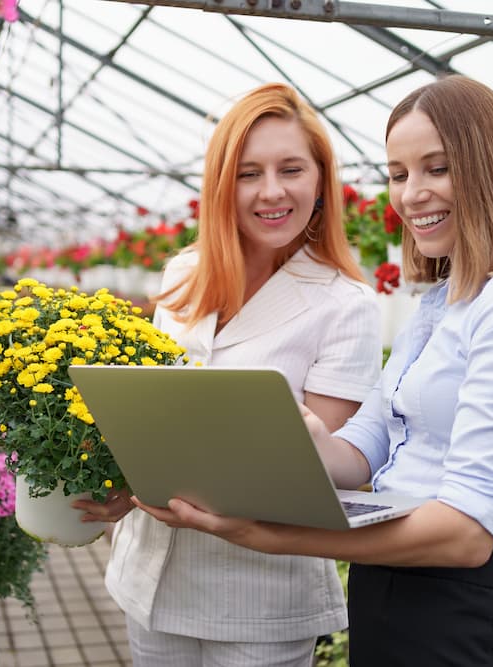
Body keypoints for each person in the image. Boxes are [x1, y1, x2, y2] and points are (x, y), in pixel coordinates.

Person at [133, 75, 493, 666]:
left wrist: (269, 536)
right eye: (399, 175)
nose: (412, 194)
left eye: (437, 168)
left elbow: (466, 532)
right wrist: (303, 438)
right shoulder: (442, 305)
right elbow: (364, 450)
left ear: (489, 169)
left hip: (457, 611)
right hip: (387, 594)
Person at [71, 82, 382, 666]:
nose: (272, 192)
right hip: (151, 577)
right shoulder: (184, 273)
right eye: (248, 173)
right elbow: (155, 417)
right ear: (221, 184)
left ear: (320, 181)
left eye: (291, 169)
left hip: (258, 597)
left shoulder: (346, 304)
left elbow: (322, 474)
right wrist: (125, 484)